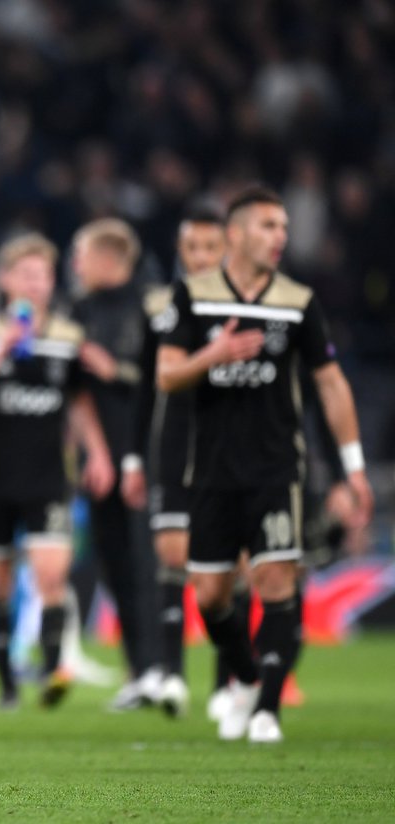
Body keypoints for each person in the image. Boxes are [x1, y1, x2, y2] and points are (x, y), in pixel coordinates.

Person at [157, 184, 373, 743]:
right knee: (211, 596)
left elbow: (331, 383)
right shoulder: (193, 295)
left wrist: (352, 467)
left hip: (276, 470)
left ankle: (268, 711)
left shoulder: (297, 301)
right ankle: (249, 680)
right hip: (211, 472)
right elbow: (167, 374)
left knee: (276, 579)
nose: (281, 236)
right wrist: (213, 355)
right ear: (235, 233)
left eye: (283, 227)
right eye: (268, 226)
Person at [0, 233, 115, 710]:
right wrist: (1, 353)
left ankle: (55, 669)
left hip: (48, 477)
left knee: (51, 575)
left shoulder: (68, 338)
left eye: (44, 275)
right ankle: (7, 688)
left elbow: (78, 403)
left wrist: (98, 453)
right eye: (27, 274)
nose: (36, 284)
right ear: (7, 279)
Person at [121, 204, 227, 718]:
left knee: (228, 571)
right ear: (180, 250)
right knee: (171, 556)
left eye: (211, 247)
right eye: (193, 247)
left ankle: (228, 682)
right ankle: (172, 675)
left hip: (228, 451)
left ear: (226, 249)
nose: (201, 257)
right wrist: (133, 458)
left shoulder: (246, 307)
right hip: (173, 447)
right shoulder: (160, 307)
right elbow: (147, 387)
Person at [69, 218, 164, 711]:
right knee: (116, 565)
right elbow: (76, 391)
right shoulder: (80, 310)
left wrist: (116, 369)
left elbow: (167, 378)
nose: (76, 265)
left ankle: (164, 669)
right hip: (101, 461)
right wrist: (96, 454)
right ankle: (139, 670)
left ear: (109, 258)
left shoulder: (153, 306)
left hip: (151, 455)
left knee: (150, 565)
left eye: (82, 255)